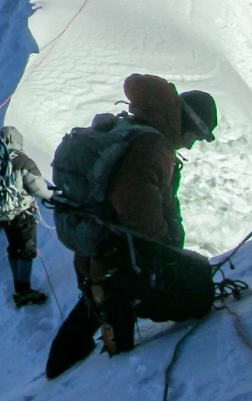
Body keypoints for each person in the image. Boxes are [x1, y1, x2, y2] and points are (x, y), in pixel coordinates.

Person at [45, 74, 218, 379]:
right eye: (195, 136)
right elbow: (134, 198)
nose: (191, 145)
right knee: (190, 296)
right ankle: (104, 382)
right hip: (120, 253)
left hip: (100, 246)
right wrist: (163, 247)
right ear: (188, 123)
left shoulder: (137, 132)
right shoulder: (153, 145)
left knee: (97, 307)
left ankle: (59, 375)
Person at [0, 126, 54, 306]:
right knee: (27, 250)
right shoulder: (23, 161)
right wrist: (53, 196)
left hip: (3, 215)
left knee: (14, 248)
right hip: (23, 214)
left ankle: (18, 287)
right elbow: (39, 189)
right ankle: (25, 291)